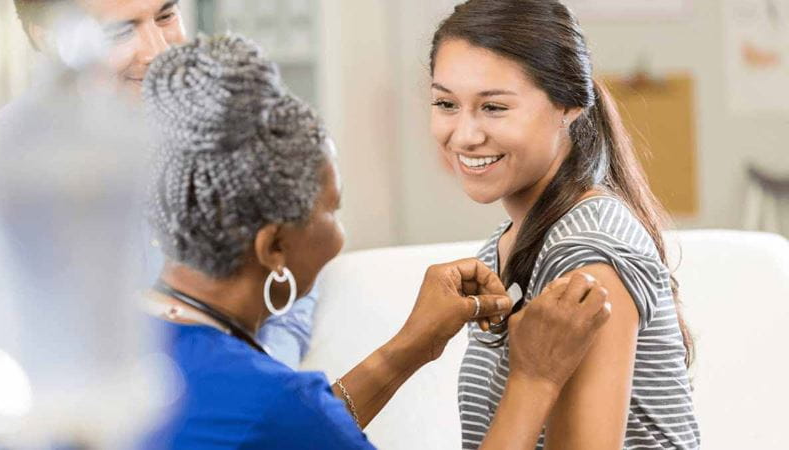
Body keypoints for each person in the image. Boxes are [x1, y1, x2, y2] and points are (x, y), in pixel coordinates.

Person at [140, 34, 612, 449]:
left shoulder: (131, 348)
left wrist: (410, 346)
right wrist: (534, 378)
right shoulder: (272, 406)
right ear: (274, 249)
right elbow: (288, 425)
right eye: (332, 209)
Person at [427, 1, 700, 448]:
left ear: (569, 106)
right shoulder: (505, 245)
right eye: (445, 103)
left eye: (493, 107)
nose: (464, 135)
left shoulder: (585, 255)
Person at [9, 0, 316, 367]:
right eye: (120, 30)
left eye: (166, 15)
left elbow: (290, 270)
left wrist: (265, 374)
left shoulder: (226, 127)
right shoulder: (11, 178)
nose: (159, 51)